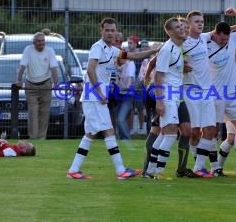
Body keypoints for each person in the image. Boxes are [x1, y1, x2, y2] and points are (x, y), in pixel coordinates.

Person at [66, 17, 157, 180]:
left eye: (112, 30)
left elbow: (132, 56)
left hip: (96, 97)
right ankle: (120, 170)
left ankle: (74, 170)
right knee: (108, 131)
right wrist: (100, 93)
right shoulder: (97, 48)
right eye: (107, 30)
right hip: (94, 97)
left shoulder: (113, 50)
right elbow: (90, 71)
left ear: (115, 32)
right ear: (101, 31)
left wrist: (153, 51)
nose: (110, 33)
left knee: (91, 134)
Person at [205, 8, 236, 177]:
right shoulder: (206, 43)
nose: (224, 42)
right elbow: (198, 37)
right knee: (213, 131)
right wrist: (233, 27)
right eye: (222, 39)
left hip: (231, 94)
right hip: (215, 94)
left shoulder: (232, 39)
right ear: (216, 34)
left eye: (227, 39)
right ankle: (215, 167)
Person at [143, 17, 187, 180]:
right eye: (178, 27)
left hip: (174, 95)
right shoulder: (168, 49)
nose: (182, 29)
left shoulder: (177, 47)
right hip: (167, 95)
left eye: (182, 26)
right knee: (170, 134)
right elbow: (158, 77)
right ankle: (158, 172)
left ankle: (151, 171)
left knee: (163, 134)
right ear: (169, 32)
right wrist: (160, 101)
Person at [182, 10, 218, 177]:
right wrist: (181, 67)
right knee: (194, 131)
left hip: (206, 90)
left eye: (202, 21)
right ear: (188, 25)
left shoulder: (204, 38)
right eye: (196, 21)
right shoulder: (182, 42)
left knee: (210, 129)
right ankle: (193, 163)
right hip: (190, 90)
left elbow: (220, 31)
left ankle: (199, 167)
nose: (200, 24)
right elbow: (166, 61)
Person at [15, 32, 59, 140]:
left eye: (43, 41)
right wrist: (19, 80)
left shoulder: (50, 51)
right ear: (34, 42)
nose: (41, 43)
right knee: (33, 112)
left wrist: (56, 83)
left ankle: (42, 138)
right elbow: (22, 66)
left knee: (44, 112)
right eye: (39, 41)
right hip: (31, 85)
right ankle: (33, 138)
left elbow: (54, 68)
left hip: (46, 84)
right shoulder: (28, 50)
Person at [115, 55, 136, 140]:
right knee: (119, 119)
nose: (120, 59)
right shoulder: (119, 67)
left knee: (121, 119)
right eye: (120, 57)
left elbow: (129, 84)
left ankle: (126, 138)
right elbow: (116, 81)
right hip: (118, 95)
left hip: (127, 95)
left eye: (123, 57)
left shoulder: (130, 64)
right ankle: (122, 138)